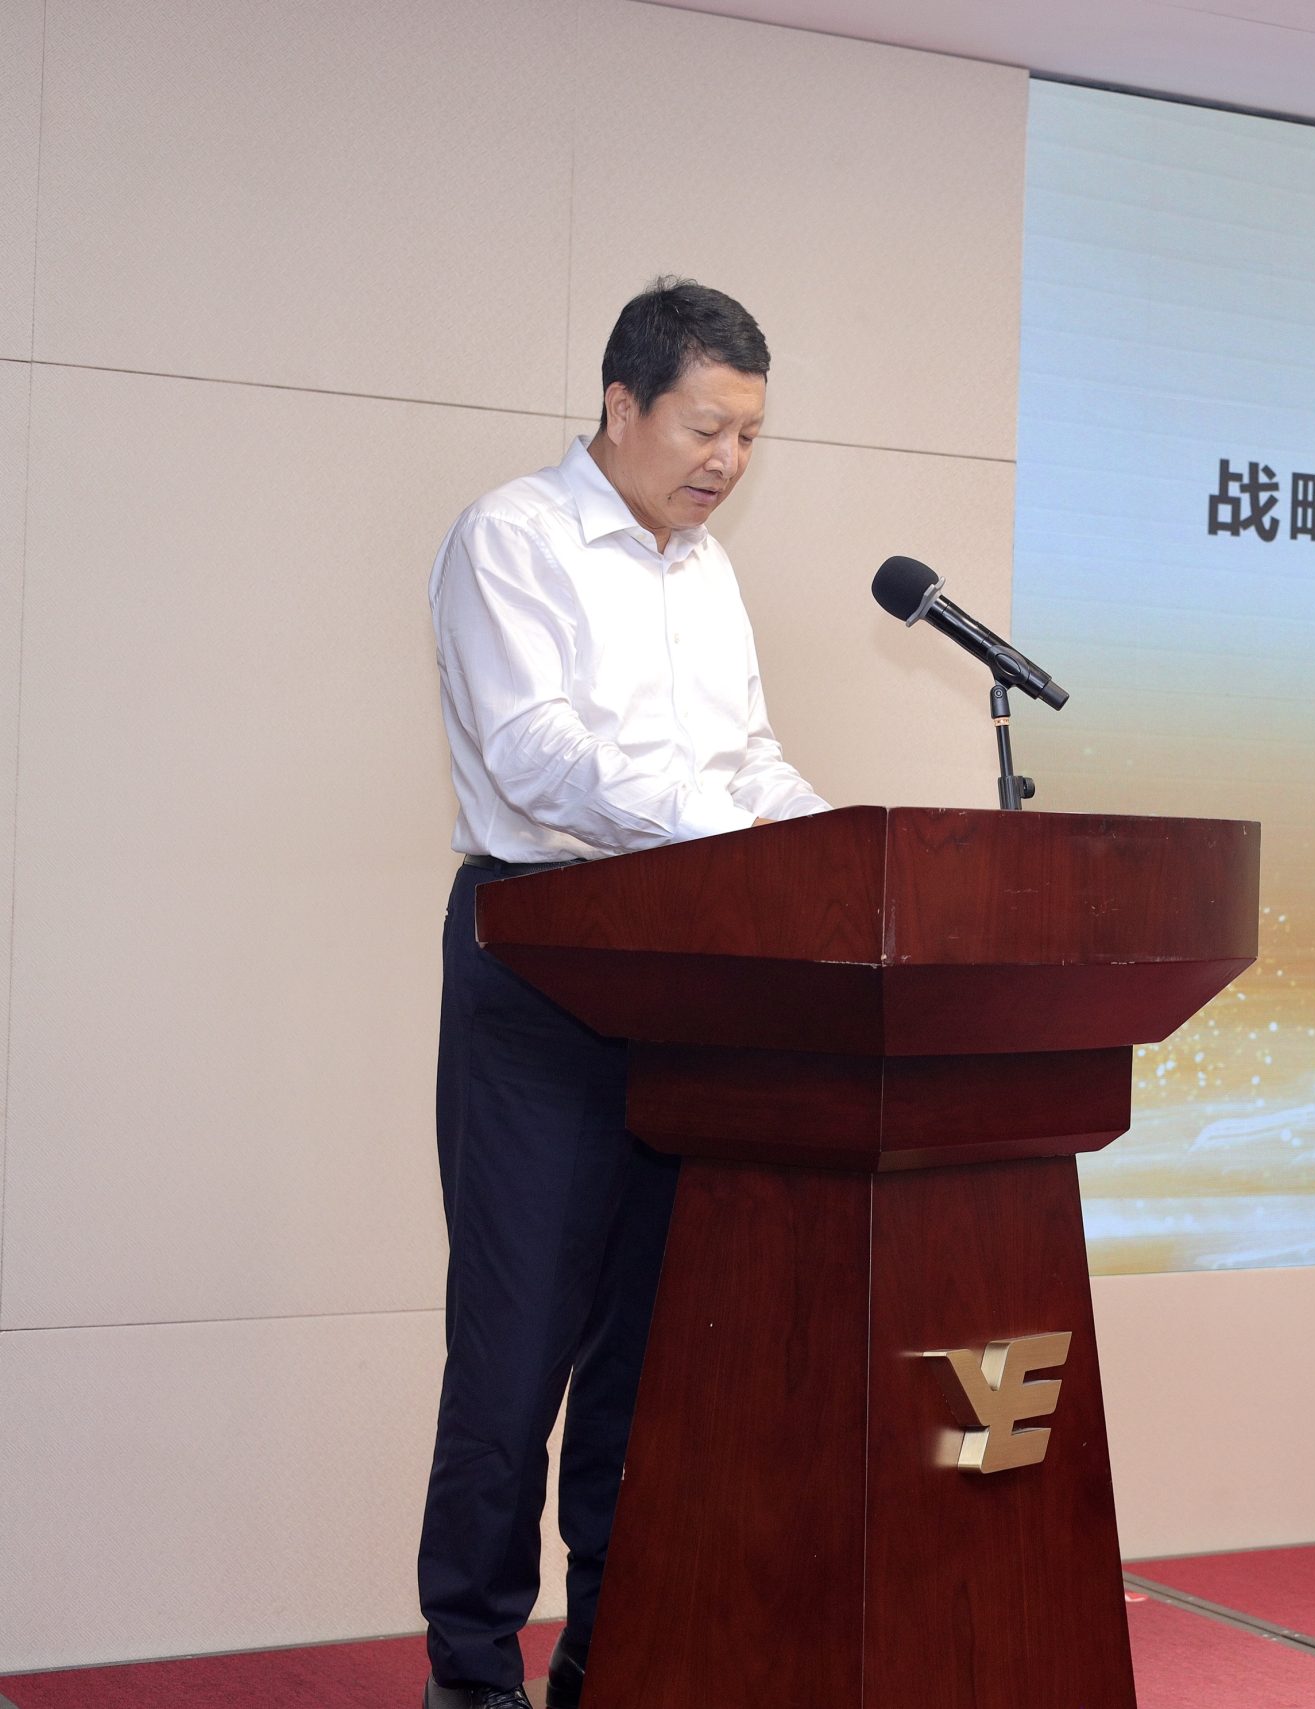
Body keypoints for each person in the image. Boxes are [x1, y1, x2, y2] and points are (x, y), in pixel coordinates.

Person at [418, 278, 830, 1709]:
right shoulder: (512, 537)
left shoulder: (705, 574)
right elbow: (535, 755)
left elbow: (746, 759)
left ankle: (615, 1649)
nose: (727, 460)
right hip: (541, 966)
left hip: (685, 991)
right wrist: (725, 830)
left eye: (749, 436)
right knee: (515, 1351)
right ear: (620, 403)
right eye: (706, 427)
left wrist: (833, 843)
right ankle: (472, 1672)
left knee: (651, 1364)